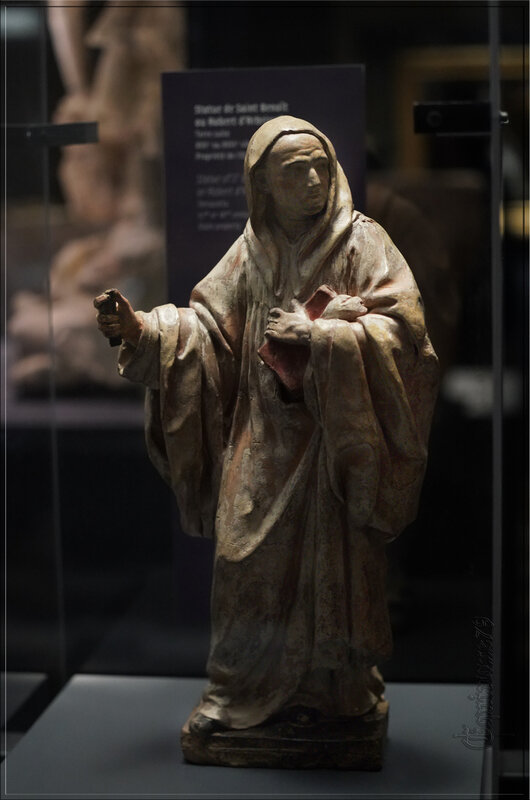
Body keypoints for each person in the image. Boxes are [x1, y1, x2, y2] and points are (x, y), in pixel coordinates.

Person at [95, 116, 439, 736]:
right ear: (262, 188)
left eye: (318, 166)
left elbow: (407, 339)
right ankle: (236, 692)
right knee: (241, 558)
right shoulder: (251, 251)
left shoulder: (365, 244)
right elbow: (207, 331)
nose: (311, 181)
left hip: (336, 445)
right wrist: (144, 332)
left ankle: (337, 693)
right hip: (263, 441)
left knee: (333, 570)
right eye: (292, 172)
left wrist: (325, 336)